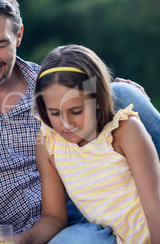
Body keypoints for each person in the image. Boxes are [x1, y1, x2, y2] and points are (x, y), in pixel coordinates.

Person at [0, 0, 160, 244]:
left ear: (18, 35)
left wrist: (121, 96)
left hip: (86, 211)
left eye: (0, 44)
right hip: (19, 232)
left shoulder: (50, 84)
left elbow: (101, 112)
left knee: (123, 93)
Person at [33, 44, 160, 243]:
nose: (66, 123)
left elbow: (155, 208)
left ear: (98, 100)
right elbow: (54, 218)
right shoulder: (49, 145)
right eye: (55, 113)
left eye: (76, 111)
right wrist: (23, 239)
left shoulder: (124, 131)